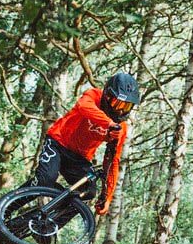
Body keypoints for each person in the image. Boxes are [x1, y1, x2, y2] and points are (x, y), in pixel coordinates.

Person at [23, 72, 140, 220]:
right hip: (58, 142)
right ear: (108, 96)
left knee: (88, 192)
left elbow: (112, 162)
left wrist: (107, 197)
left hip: (79, 158)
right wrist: (109, 124)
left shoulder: (120, 129)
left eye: (127, 106)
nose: (121, 110)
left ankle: (48, 226)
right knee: (45, 180)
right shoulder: (93, 95)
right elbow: (83, 106)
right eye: (118, 104)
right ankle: (6, 207)